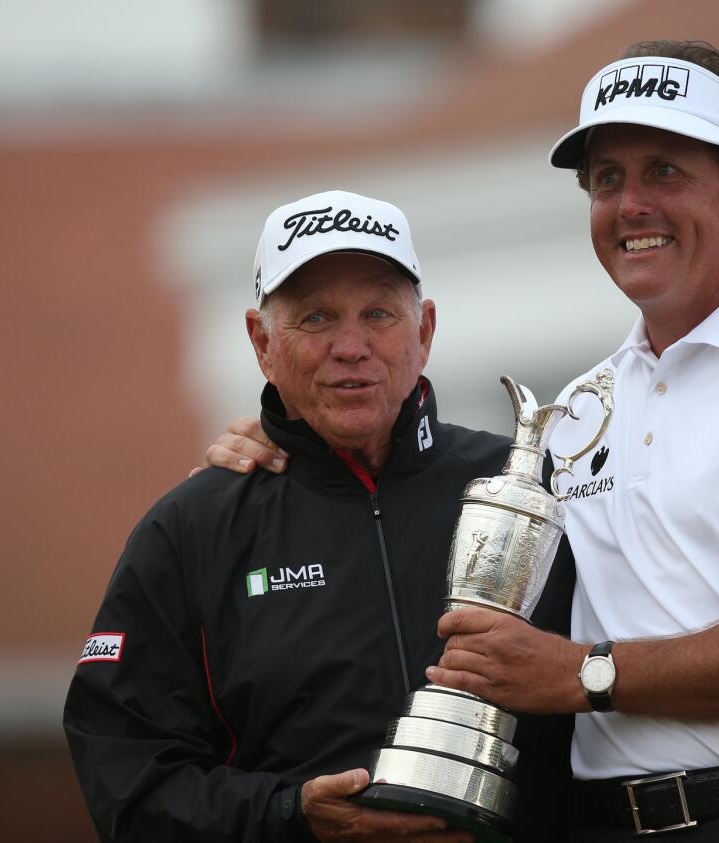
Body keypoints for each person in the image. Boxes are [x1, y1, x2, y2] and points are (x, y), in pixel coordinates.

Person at [206, 42, 719, 842]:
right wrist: (297, 443)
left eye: (664, 169)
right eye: (607, 179)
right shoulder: (583, 405)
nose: (630, 203)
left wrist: (583, 673)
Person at [64, 189, 575, 842]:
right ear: (261, 341)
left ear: (424, 332)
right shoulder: (190, 530)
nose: (351, 345)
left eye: (379, 313)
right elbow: (126, 779)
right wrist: (289, 814)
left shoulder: (531, 488)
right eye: (315, 318)